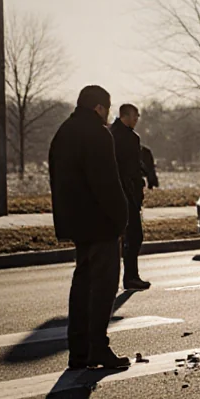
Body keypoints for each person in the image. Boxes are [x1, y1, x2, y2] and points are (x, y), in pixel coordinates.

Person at [48, 85, 130, 370]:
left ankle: (78, 350)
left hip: (76, 224)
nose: (108, 115)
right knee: (103, 288)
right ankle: (98, 348)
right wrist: (122, 218)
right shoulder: (97, 134)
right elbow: (107, 183)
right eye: (107, 108)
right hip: (101, 223)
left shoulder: (64, 132)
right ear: (99, 108)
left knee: (81, 285)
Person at [110, 103, 150, 290]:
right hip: (128, 193)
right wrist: (137, 189)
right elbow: (131, 168)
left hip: (116, 192)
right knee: (134, 236)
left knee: (121, 239)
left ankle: (121, 278)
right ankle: (130, 276)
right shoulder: (128, 137)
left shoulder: (109, 133)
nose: (137, 119)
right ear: (125, 116)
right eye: (135, 116)